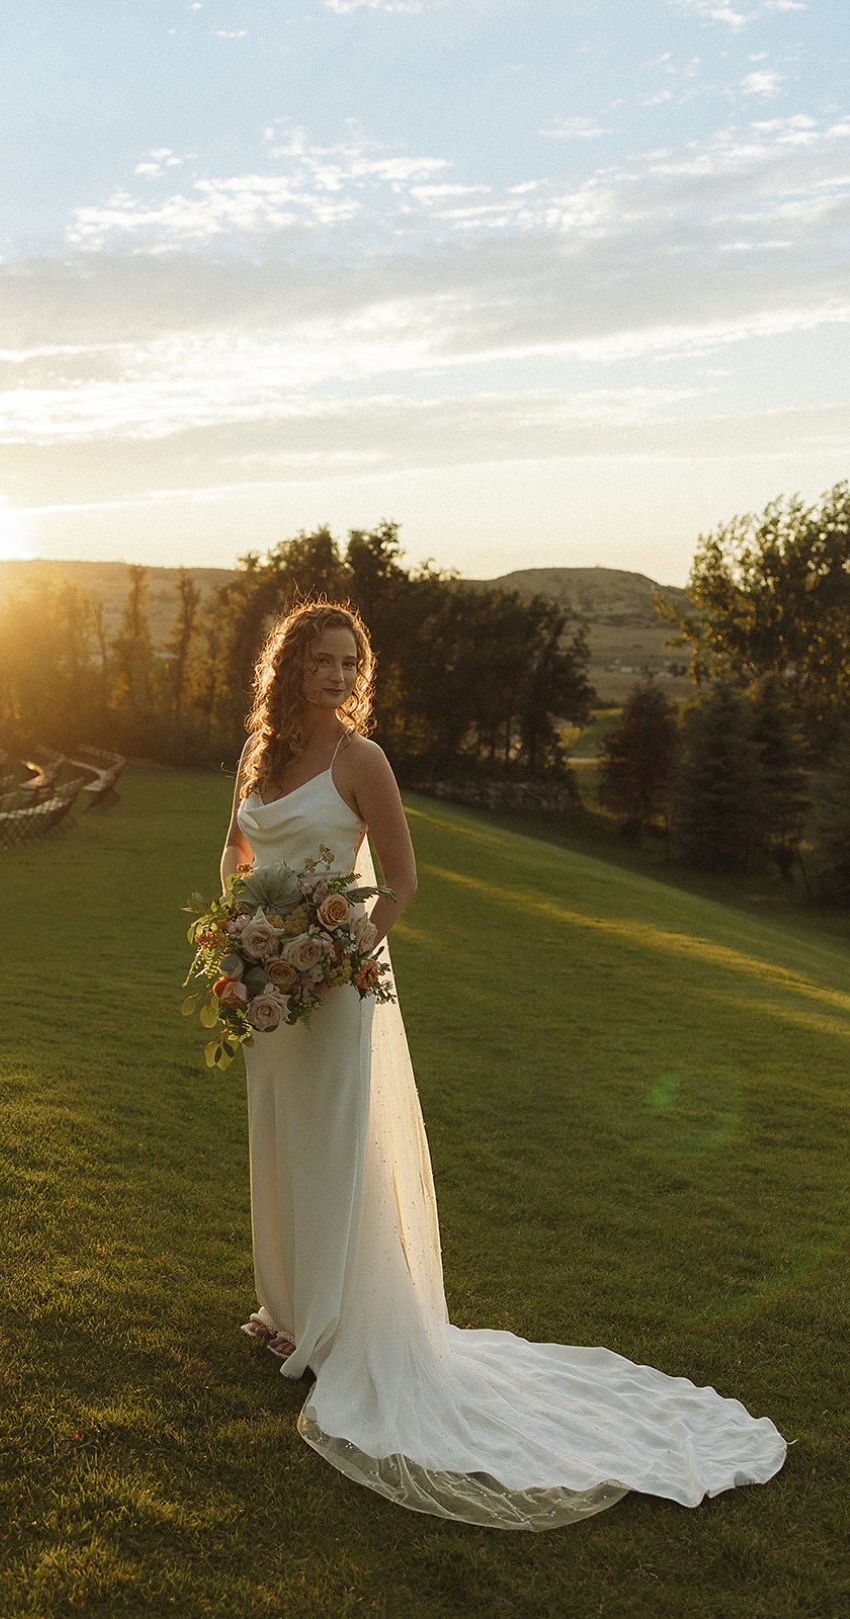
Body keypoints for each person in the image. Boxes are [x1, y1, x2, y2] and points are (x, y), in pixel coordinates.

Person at [219, 598, 786, 1530]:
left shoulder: (362, 762)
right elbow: (239, 849)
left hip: (337, 982)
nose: (338, 674)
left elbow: (400, 881)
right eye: (322, 659)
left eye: (349, 661)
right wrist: (240, 944)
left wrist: (341, 949)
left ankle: (336, 1324)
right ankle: (286, 1309)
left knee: (335, 1148)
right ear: (290, 667)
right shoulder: (258, 754)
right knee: (280, 1139)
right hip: (271, 991)